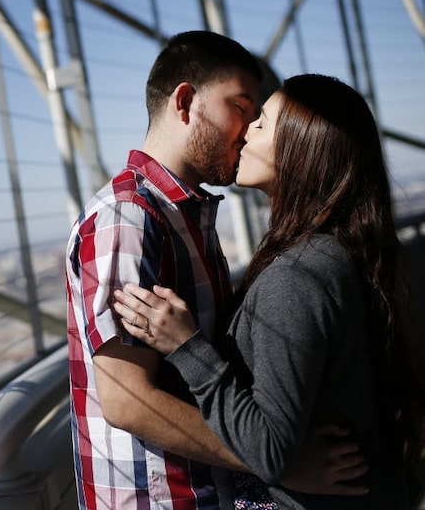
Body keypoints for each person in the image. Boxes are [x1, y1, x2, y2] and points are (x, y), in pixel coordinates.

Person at [66, 32, 360, 509]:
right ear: (185, 102)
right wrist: (279, 461)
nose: (247, 130)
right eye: (241, 107)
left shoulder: (187, 215)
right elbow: (125, 400)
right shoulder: (129, 217)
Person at [114, 74, 425, 508]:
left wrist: (186, 347)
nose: (242, 132)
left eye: (259, 121)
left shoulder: (298, 276)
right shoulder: (337, 254)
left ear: (302, 150)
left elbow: (271, 452)